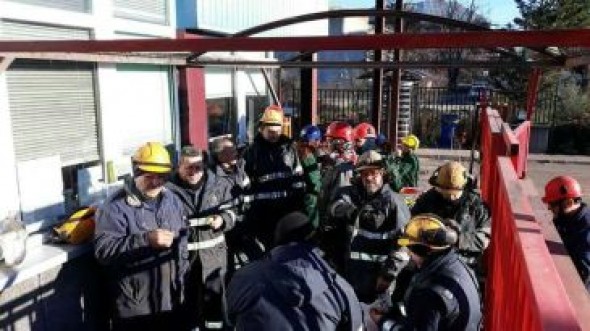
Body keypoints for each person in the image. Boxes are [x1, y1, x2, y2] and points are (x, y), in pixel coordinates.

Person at [94, 142, 188, 331]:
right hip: (135, 306)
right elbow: (103, 251)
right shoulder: (115, 207)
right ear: (136, 172)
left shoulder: (172, 200)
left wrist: (182, 280)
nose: (156, 182)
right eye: (149, 176)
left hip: (170, 298)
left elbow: (182, 243)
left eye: (161, 176)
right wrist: (146, 240)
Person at [227, 211, 365, 331]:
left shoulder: (244, 277)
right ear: (314, 241)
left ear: (277, 241)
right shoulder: (339, 288)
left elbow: (230, 318)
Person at [371, 214, 482, 331]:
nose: (409, 253)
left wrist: (384, 322)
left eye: (411, 249)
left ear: (424, 251)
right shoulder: (460, 267)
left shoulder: (429, 291)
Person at [167, 145, 237, 330]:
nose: (194, 171)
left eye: (198, 167)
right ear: (178, 167)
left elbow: (233, 212)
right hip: (183, 262)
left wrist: (223, 219)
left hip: (214, 259)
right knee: (187, 308)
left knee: (215, 307)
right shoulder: (168, 192)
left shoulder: (219, 185)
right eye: (188, 167)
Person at [328, 150, 411, 303]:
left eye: (374, 173)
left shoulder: (394, 202)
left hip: (378, 281)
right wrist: (352, 212)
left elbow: (405, 242)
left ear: (382, 173)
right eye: (365, 174)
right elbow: (334, 207)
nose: (369, 178)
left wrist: (388, 275)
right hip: (351, 276)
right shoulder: (352, 194)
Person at [243, 105, 306, 250]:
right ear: (261, 128)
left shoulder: (290, 149)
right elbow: (246, 184)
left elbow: (298, 180)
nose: (274, 135)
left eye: (277, 131)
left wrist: (298, 207)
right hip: (263, 213)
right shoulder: (252, 152)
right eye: (270, 131)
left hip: (286, 210)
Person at [411, 161, 491, 270]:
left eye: (455, 193)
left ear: (464, 187)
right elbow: (411, 227)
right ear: (438, 187)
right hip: (430, 263)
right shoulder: (426, 201)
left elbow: (484, 240)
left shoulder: (477, 206)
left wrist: (458, 238)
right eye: (446, 192)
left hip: (465, 265)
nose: (451, 197)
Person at [209, 137, 261, 278]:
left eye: (235, 150)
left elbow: (248, 194)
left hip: (244, 226)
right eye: (230, 151)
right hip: (226, 232)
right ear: (219, 155)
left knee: (258, 260)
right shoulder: (212, 179)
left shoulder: (240, 170)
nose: (235, 153)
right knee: (229, 270)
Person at [318, 121, 357, 271]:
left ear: (341, 143)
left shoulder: (345, 168)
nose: (327, 144)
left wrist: (328, 223)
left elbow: (342, 201)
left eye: (330, 141)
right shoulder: (337, 165)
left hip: (338, 230)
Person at [542, 176, 590, 291]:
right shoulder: (567, 219)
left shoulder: (585, 231)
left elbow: (585, 274)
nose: (549, 208)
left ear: (568, 202)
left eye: (552, 204)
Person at [297, 124, 323, 228]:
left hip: (299, 194)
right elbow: (315, 183)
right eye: (317, 140)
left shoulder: (297, 151)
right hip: (310, 198)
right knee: (312, 228)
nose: (319, 143)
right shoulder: (308, 156)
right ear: (313, 140)